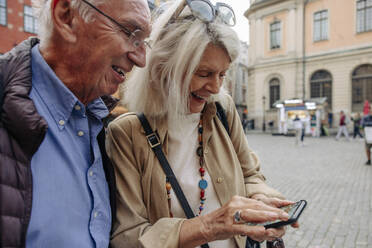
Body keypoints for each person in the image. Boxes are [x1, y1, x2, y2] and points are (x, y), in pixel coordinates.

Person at [106, 1, 297, 247]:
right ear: (165, 69)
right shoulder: (126, 133)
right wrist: (209, 227)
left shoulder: (222, 110)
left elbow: (249, 174)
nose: (215, 88)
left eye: (222, 74)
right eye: (204, 74)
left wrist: (261, 197)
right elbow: (128, 236)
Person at [0, 0, 151, 247]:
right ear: (66, 16)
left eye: (144, 42)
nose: (141, 58)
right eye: (130, 33)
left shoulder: (101, 123)